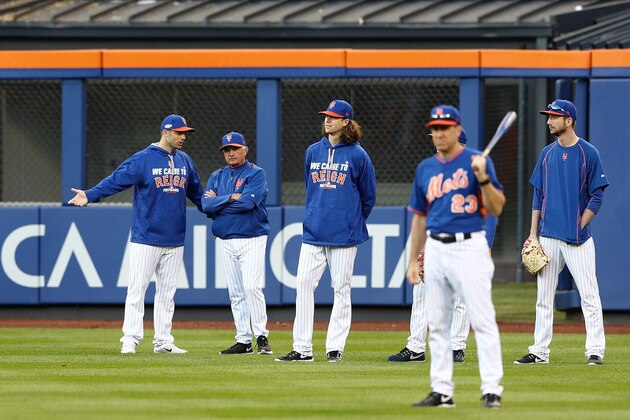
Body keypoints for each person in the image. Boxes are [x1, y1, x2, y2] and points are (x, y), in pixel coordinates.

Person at [67, 114, 204, 355]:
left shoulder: (184, 161)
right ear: (165, 132)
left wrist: (219, 210)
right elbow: (116, 180)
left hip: (175, 237)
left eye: (185, 133)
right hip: (146, 237)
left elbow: (198, 195)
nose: (183, 137)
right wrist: (90, 194)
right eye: (179, 132)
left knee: (167, 293)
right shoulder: (143, 159)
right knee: (137, 289)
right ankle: (130, 339)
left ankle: (163, 341)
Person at [406, 105, 505, 409]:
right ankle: (442, 390)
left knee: (482, 318)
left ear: (456, 129)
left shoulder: (478, 162)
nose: (437, 133)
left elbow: (498, 207)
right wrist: (413, 259)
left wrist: (484, 179)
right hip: (436, 246)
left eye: (443, 128)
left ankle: (491, 389)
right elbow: (420, 218)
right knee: (436, 323)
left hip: (469, 245)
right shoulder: (425, 168)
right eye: (433, 128)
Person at [276, 99, 376, 363]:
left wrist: (350, 220)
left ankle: (335, 347)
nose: (327, 120)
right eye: (325, 116)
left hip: (344, 236)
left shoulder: (358, 155)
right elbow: (311, 187)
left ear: (346, 121)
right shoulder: (313, 151)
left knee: (341, 290)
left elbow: (368, 197)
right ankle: (302, 348)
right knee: (303, 286)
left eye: (333, 117)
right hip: (313, 232)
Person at [388, 129, 498, 364]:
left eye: (442, 136)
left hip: (467, 242)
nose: (437, 140)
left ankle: (457, 346)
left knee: (461, 297)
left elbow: (491, 211)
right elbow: (422, 215)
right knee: (421, 292)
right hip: (436, 241)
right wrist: (419, 251)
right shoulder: (430, 170)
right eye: (434, 136)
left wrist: (487, 243)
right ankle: (415, 346)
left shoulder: (476, 169)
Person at [514, 99, 608, 366]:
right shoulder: (546, 154)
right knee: (543, 298)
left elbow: (597, 196)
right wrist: (533, 234)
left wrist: (580, 224)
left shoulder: (588, 152)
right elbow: (538, 196)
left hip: (578, 240)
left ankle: (595, 350)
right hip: (548, 237)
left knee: (589, 295)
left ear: (569, 121)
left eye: (554, 117)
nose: (549, 121)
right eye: (548, 116)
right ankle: (539, 351)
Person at [202, 132, 272, 356]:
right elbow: (205, 205)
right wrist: (231, 197)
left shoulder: (256, 173)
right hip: (225, 239)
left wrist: (219, 202)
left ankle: (261, 336)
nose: (230, 153)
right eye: (226, 150)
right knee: (235, 292)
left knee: (252, 287)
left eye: (234, 148)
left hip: (252, 237)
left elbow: (248, 204)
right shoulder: (217, 175)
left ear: (245, 149)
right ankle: (244, 340)